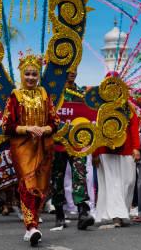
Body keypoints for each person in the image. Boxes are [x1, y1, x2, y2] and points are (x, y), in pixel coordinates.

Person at [2, 52, 60, 246]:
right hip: (22, 146)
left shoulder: (44, 94)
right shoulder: (15, 96)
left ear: (39, 76)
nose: (31, 78)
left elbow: (55, 121)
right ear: (21, 74)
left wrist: (45, 129)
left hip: (43, 146)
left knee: (41, 187)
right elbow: (6, 125)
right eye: (27, 74)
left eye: (34, 74)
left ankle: (32, 225)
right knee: (28, 184)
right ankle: (31, 225)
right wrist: (27, 128)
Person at [93, 79, 141, 228]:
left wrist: (136, 148)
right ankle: (116, 215)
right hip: (105, 150)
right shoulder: (102, 108)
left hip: (127, 149)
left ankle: (122, 211)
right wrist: (94, 153)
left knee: (129, 181)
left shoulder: (128, 107)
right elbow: (96, 130)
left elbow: (134, 128)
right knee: (112, 182)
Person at [50, 71, 94, 230]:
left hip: (76, 142)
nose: (73, 72)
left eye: (76, 68)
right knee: (57, 178)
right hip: (56, 143)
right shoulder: (52, 93)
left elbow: (91, 114)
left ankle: (83, 211)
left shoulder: (82, 94)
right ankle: (59, 214)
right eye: (69, 69)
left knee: (80, 174)